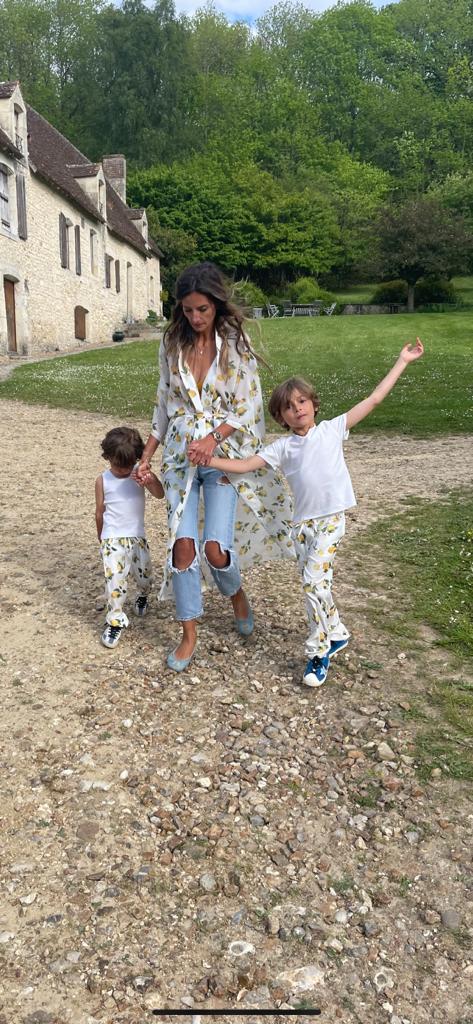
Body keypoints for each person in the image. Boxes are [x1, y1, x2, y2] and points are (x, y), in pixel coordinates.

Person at [201, 338, 425, 687]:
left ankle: (318, 652)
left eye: (302, 402)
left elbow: (374, 399)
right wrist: (208, 459)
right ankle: (336, 631)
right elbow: (245, 465)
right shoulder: (282, 447)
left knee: (313, 582)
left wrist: (402, 361)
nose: (297, 410)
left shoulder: (333, 430)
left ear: (314, 404)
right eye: (289, 407)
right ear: (281, 417)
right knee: (316, 586)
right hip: (301, 528)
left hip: (331, 521)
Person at [136, 261, 293, 672]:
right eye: (188, 310)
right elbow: (164, 405)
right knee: (183, 546)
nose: (195, 317)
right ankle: (189, 634)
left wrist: (213, 439)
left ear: (216, 304)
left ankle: (235, 593)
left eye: (202, 309)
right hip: (179, 456)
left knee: (214, 549)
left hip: (223, 456)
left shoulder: (235, 344)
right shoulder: (172, 343)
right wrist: (146, 456)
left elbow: (248, 405)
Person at [96, 426, 164, 649]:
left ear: (136, 459)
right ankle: (115, 619)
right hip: (112, 539)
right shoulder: (103, 480)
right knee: (115, 580)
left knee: (144, 575)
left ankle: (143, 593)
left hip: (136, 537)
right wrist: (101, 536)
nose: (123, 470)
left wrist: (149, 480)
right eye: (118, 465)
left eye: (128, 465)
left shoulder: (138, 473)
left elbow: (160, 494)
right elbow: (99, 512)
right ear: (107, 457)